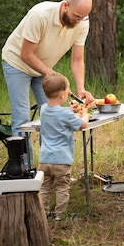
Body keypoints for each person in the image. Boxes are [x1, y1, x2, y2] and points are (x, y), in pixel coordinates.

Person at [2, 0, 94, 163]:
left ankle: (53, 168)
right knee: (22, 119)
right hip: (17, 63)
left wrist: (80, 88)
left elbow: (77, 60)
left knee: (54, 115)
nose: (79, 21)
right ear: (66, 5)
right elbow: (26, 54)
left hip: (44, 67)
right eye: (76, 16)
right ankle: (24, 172)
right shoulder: (40, 15)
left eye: (83, 17)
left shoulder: (82, 22)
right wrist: (52, 74)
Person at [38, 71, 89, 221]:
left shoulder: (43, 109)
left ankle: (43, 213)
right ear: (62, 94)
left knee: (45, 188)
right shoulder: (66, 115)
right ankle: (60, 215)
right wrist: (84, 113)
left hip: (45, 159)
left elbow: (56, 114)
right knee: (62, 188)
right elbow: (82, 124)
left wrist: (69, 110)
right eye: (67, 91)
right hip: (61, 160)